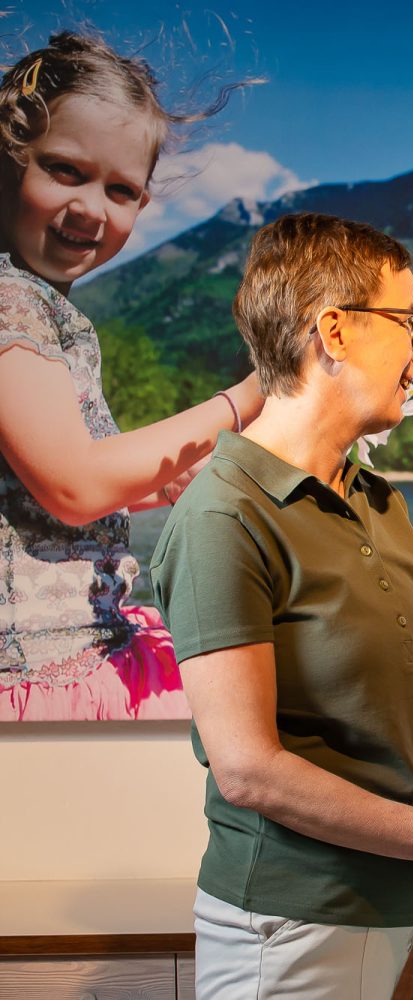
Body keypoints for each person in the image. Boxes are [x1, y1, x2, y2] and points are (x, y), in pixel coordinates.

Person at [150, 213, 413, 998]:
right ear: (333, 332)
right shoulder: (222, 516)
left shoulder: (378, 502)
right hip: (295, 932)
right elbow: (249, 771)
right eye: (407, 323)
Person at [0, 32, 265, 721]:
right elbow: (73, 484)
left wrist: (154, 482)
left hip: (82, 643)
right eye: (63, 170)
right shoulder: (9, 303)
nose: (92, 208)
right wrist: (249, 395)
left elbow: (42, 488)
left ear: (143, 205)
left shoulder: (41, 303)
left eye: (120, 189)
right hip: (36, 672)